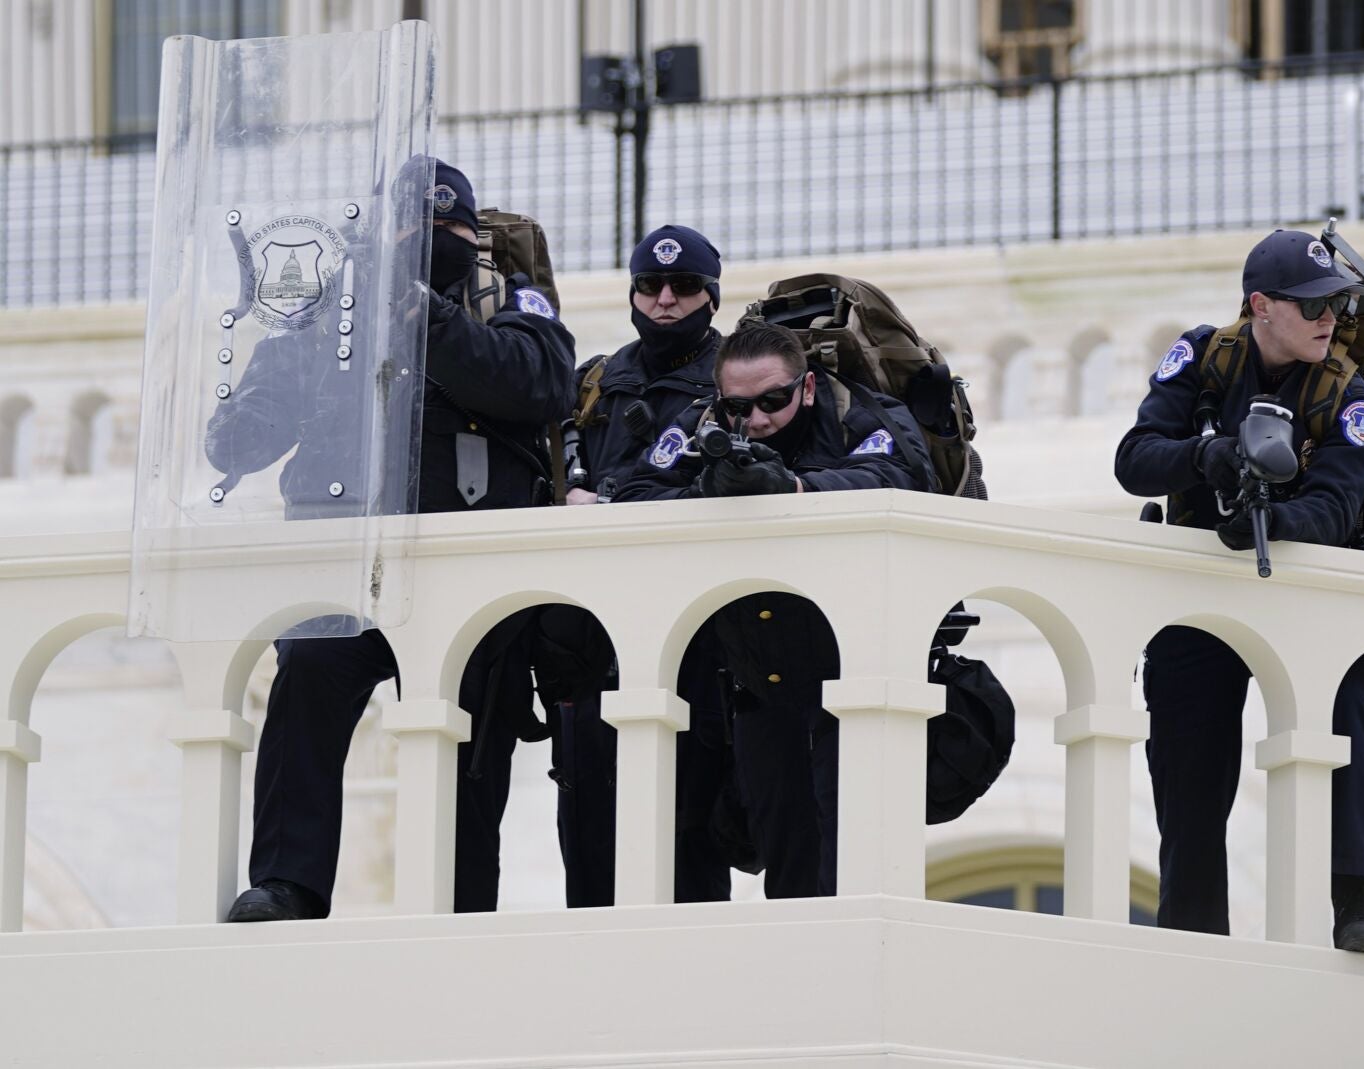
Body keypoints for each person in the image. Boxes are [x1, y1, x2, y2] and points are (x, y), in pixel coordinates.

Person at [218, 161, 576, 920]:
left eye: (445, 225)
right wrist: (241, 401)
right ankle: (288, 883)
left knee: (468, 747)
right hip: (348, 564)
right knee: (308, 673)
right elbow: (249, 430)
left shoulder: (505, 299)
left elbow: (540, 382)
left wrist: (424, 315)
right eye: (410, 224)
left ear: (471, 232)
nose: (427, 238)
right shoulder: (330, 310)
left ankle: (454, 911)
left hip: (469, 571)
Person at [1113, 229, 1364, 940]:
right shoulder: (1206, 357)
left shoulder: (1344, 389)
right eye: (1312, 306)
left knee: (1344, 717)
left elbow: (1336, 508)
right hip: (1199, 593)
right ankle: (1193, 933)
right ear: (1261, 305)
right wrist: (1210, 457)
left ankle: (1358, 906)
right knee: (1189, 770)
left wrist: (1272, 520)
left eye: (1336, 304)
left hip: (1300, 590)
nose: (1329, 319)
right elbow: (1135, 459)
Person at [617, 321, 933, 898]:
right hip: (759, 679)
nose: (756, 419)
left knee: (857, 858)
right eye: (738, 406)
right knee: (787, 861)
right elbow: (637, 497)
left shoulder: (856, 414)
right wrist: (705, 496)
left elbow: (902, 478)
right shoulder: (701, 424)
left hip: (852, 670)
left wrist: (795, 491)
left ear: (806, 388)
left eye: (772, 400)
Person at [539, 224, 733, 907]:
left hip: (692, 639)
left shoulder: (737, 382)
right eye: (650, 285)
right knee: (589, 829)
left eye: (684, 286)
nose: (665, 299)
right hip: (591, 639)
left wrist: (609, 500)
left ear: (710, 295)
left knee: (688, 834)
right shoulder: (595, 382)